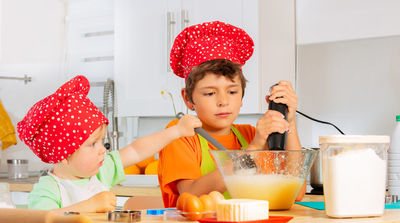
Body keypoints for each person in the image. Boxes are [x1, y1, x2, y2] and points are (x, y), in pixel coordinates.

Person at [158, 21, 302, 208]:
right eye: (210, 93)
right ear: (188, 98)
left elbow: (295, 192)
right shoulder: (180, 135)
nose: (223, 101)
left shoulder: (249, 134)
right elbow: (191, 194)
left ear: (242, 95)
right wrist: (254, 148)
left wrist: (288, 121)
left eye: (232, 92)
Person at [18, 75, 201, 213]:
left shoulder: (101, 171)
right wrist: (90, 205)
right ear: (63, 155)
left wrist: (175, 132)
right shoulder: (48, 189)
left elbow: (136, 151)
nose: (102, 150)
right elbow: (42, 220)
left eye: (102, 141)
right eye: (92, 144)